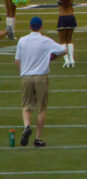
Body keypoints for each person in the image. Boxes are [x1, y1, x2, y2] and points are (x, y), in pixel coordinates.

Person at [15, 16, 65, 147]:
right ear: (41, 27)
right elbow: (63, 50)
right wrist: (52, 58)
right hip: (41, 76)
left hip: (26, 75)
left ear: (30, 26)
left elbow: (17, 60)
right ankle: (38, 138)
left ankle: (26, 126)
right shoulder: (46, 41)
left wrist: (23, 72)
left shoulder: (22, 40)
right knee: (41, 108)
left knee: (26, 106)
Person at [56, 0, 77, 67]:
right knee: (69, 40)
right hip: (71, 17)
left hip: (62, 17)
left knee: (62, 41)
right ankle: (72, 60)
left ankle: (67, 61)